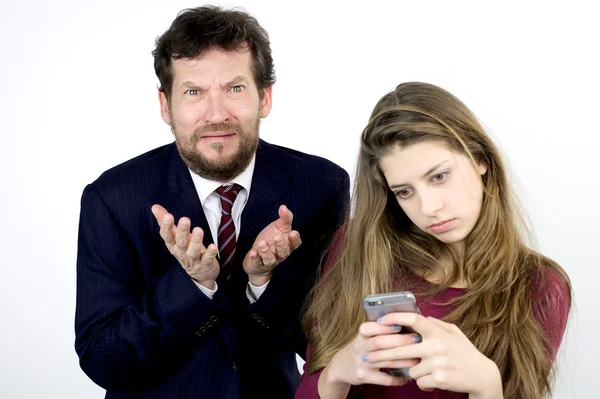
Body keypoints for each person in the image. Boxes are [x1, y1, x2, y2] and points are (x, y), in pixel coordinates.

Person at [74, 5, 349, 399]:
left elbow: (331, 343)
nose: (216, 113)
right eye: (193, 92)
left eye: (235, 88)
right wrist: (193, 286)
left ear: (265, 97)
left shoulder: (322, 185)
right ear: (166, 106)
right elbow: (102, 358)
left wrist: (264, 282)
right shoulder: (112, 198)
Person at [295, 82, 571, 399]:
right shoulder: (359, 247)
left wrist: (487, 386)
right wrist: (335, 375)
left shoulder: (540, 285)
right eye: (404, 192)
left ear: (479, 158)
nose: (428, 209)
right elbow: (309, 385)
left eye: (438, 176)